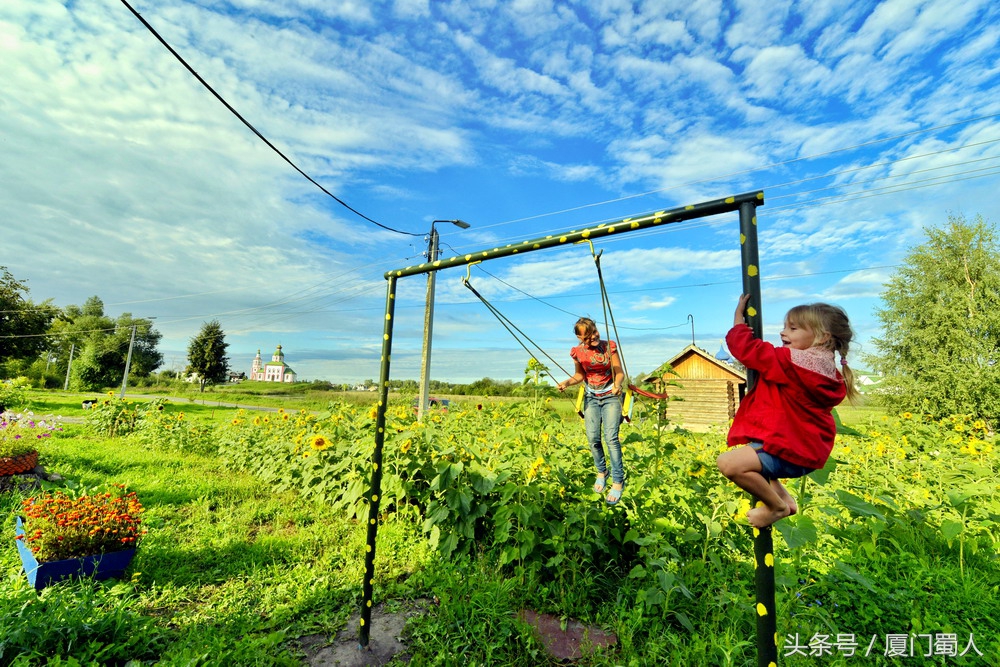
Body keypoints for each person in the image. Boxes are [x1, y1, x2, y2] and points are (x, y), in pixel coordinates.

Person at [717, 294, 859, 528]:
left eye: (793, 328)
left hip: (788, 450)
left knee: (729, 464)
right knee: (752, 451)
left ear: (822, 337)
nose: (784, 333)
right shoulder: (825, 369)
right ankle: (783, 498)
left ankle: (776, 507)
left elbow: (747, 350)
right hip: (803, 451)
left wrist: (738, 321)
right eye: (785, 327)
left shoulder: (793, 362)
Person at [556, 317, 626, 504]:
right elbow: (579, 375)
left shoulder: (608, 347)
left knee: (611, 438)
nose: (593, 337)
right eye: (587, 337)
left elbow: (619, 372)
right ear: (579, 338)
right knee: (593, 438)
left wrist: (618, 384)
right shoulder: (577, 353)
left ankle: (618, 481)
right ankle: (602, 471)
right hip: (591, 398)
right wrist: (566, 383)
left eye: (594, 332)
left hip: (611, 395)